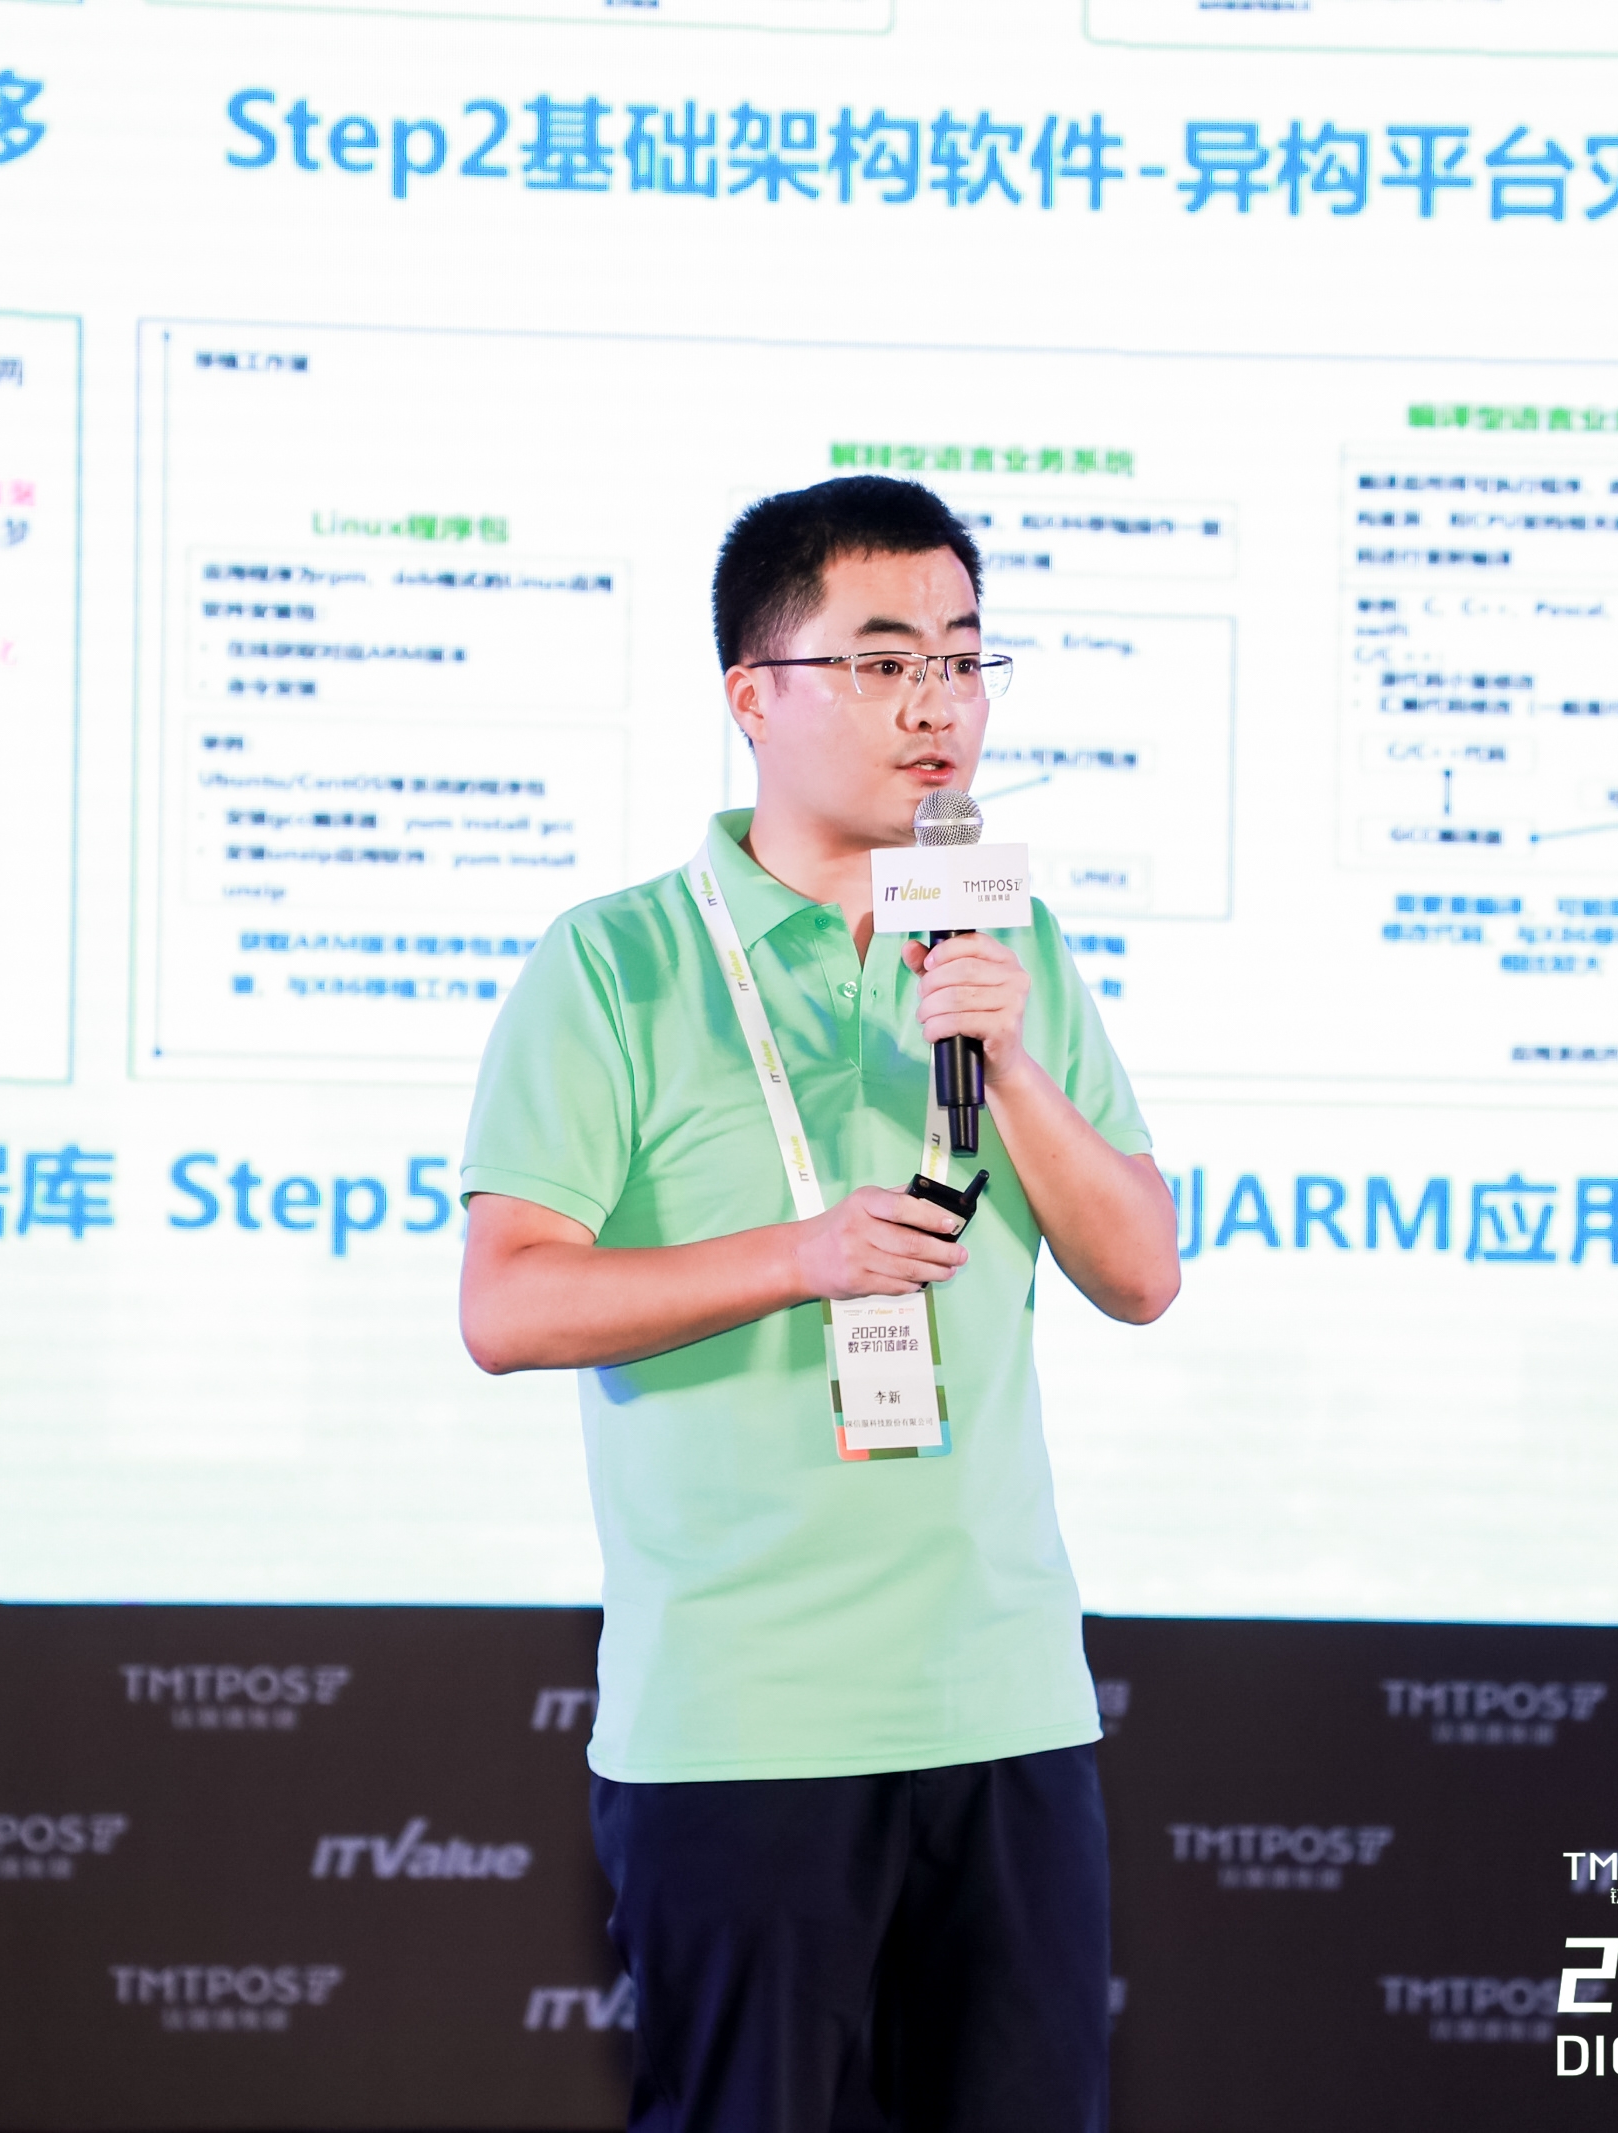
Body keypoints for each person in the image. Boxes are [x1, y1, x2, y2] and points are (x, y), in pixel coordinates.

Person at [457, 474, 1180, 2132]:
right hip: (742, 1723)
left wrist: (1007, 1059)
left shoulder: (1009, 946)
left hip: (1002, 1702)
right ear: (753, 695)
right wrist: (802, 1254)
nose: (939, 704)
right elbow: (509, 1302)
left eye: (966, 660)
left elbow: (1141, 1269)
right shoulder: (616, 963)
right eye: (883, 661)